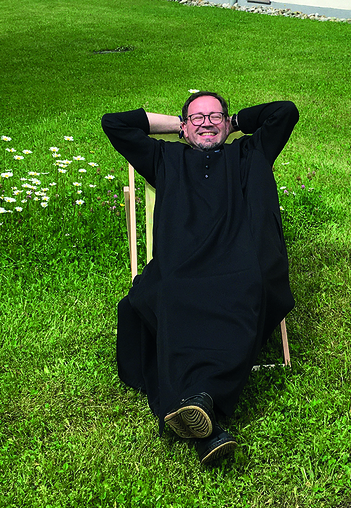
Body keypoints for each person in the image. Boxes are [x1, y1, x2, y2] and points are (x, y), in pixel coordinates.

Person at [101, 92, 298, 466]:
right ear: (183, 127)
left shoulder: (249, 154)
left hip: (239, 264)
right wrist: (176, 126)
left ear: (227, 123)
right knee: (170, 293)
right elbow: (115, 123)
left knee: (245, 288)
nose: (207, 122)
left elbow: (284, 112)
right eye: (197, 118)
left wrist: (236, 121)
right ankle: (206, 416)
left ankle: (196, 406)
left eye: (215, 116)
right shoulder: (164, 158)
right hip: (182, 267)